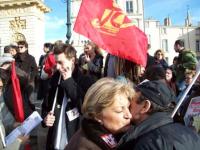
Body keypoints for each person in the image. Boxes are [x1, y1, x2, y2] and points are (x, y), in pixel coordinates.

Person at [117, 80, 200, 150]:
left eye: (131, 100)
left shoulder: (148, 144)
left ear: (145, 106)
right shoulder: (190, 133)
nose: (128, 105)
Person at [42, 43, 95, 150]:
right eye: (56, 62)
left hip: (74, 142)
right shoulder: (54, 80)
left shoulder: (85, 80)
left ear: (72, 60)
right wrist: (45, 119)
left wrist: (69, 81)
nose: (57, 66)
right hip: (54, 142)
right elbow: (45, 106)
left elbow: (85, 109)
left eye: (61, 62)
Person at [66, 77, 135, 150]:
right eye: (119, 110)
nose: (129, 115)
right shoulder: (84, 146)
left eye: (128, 107)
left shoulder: (111, 137)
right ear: (97, 116)